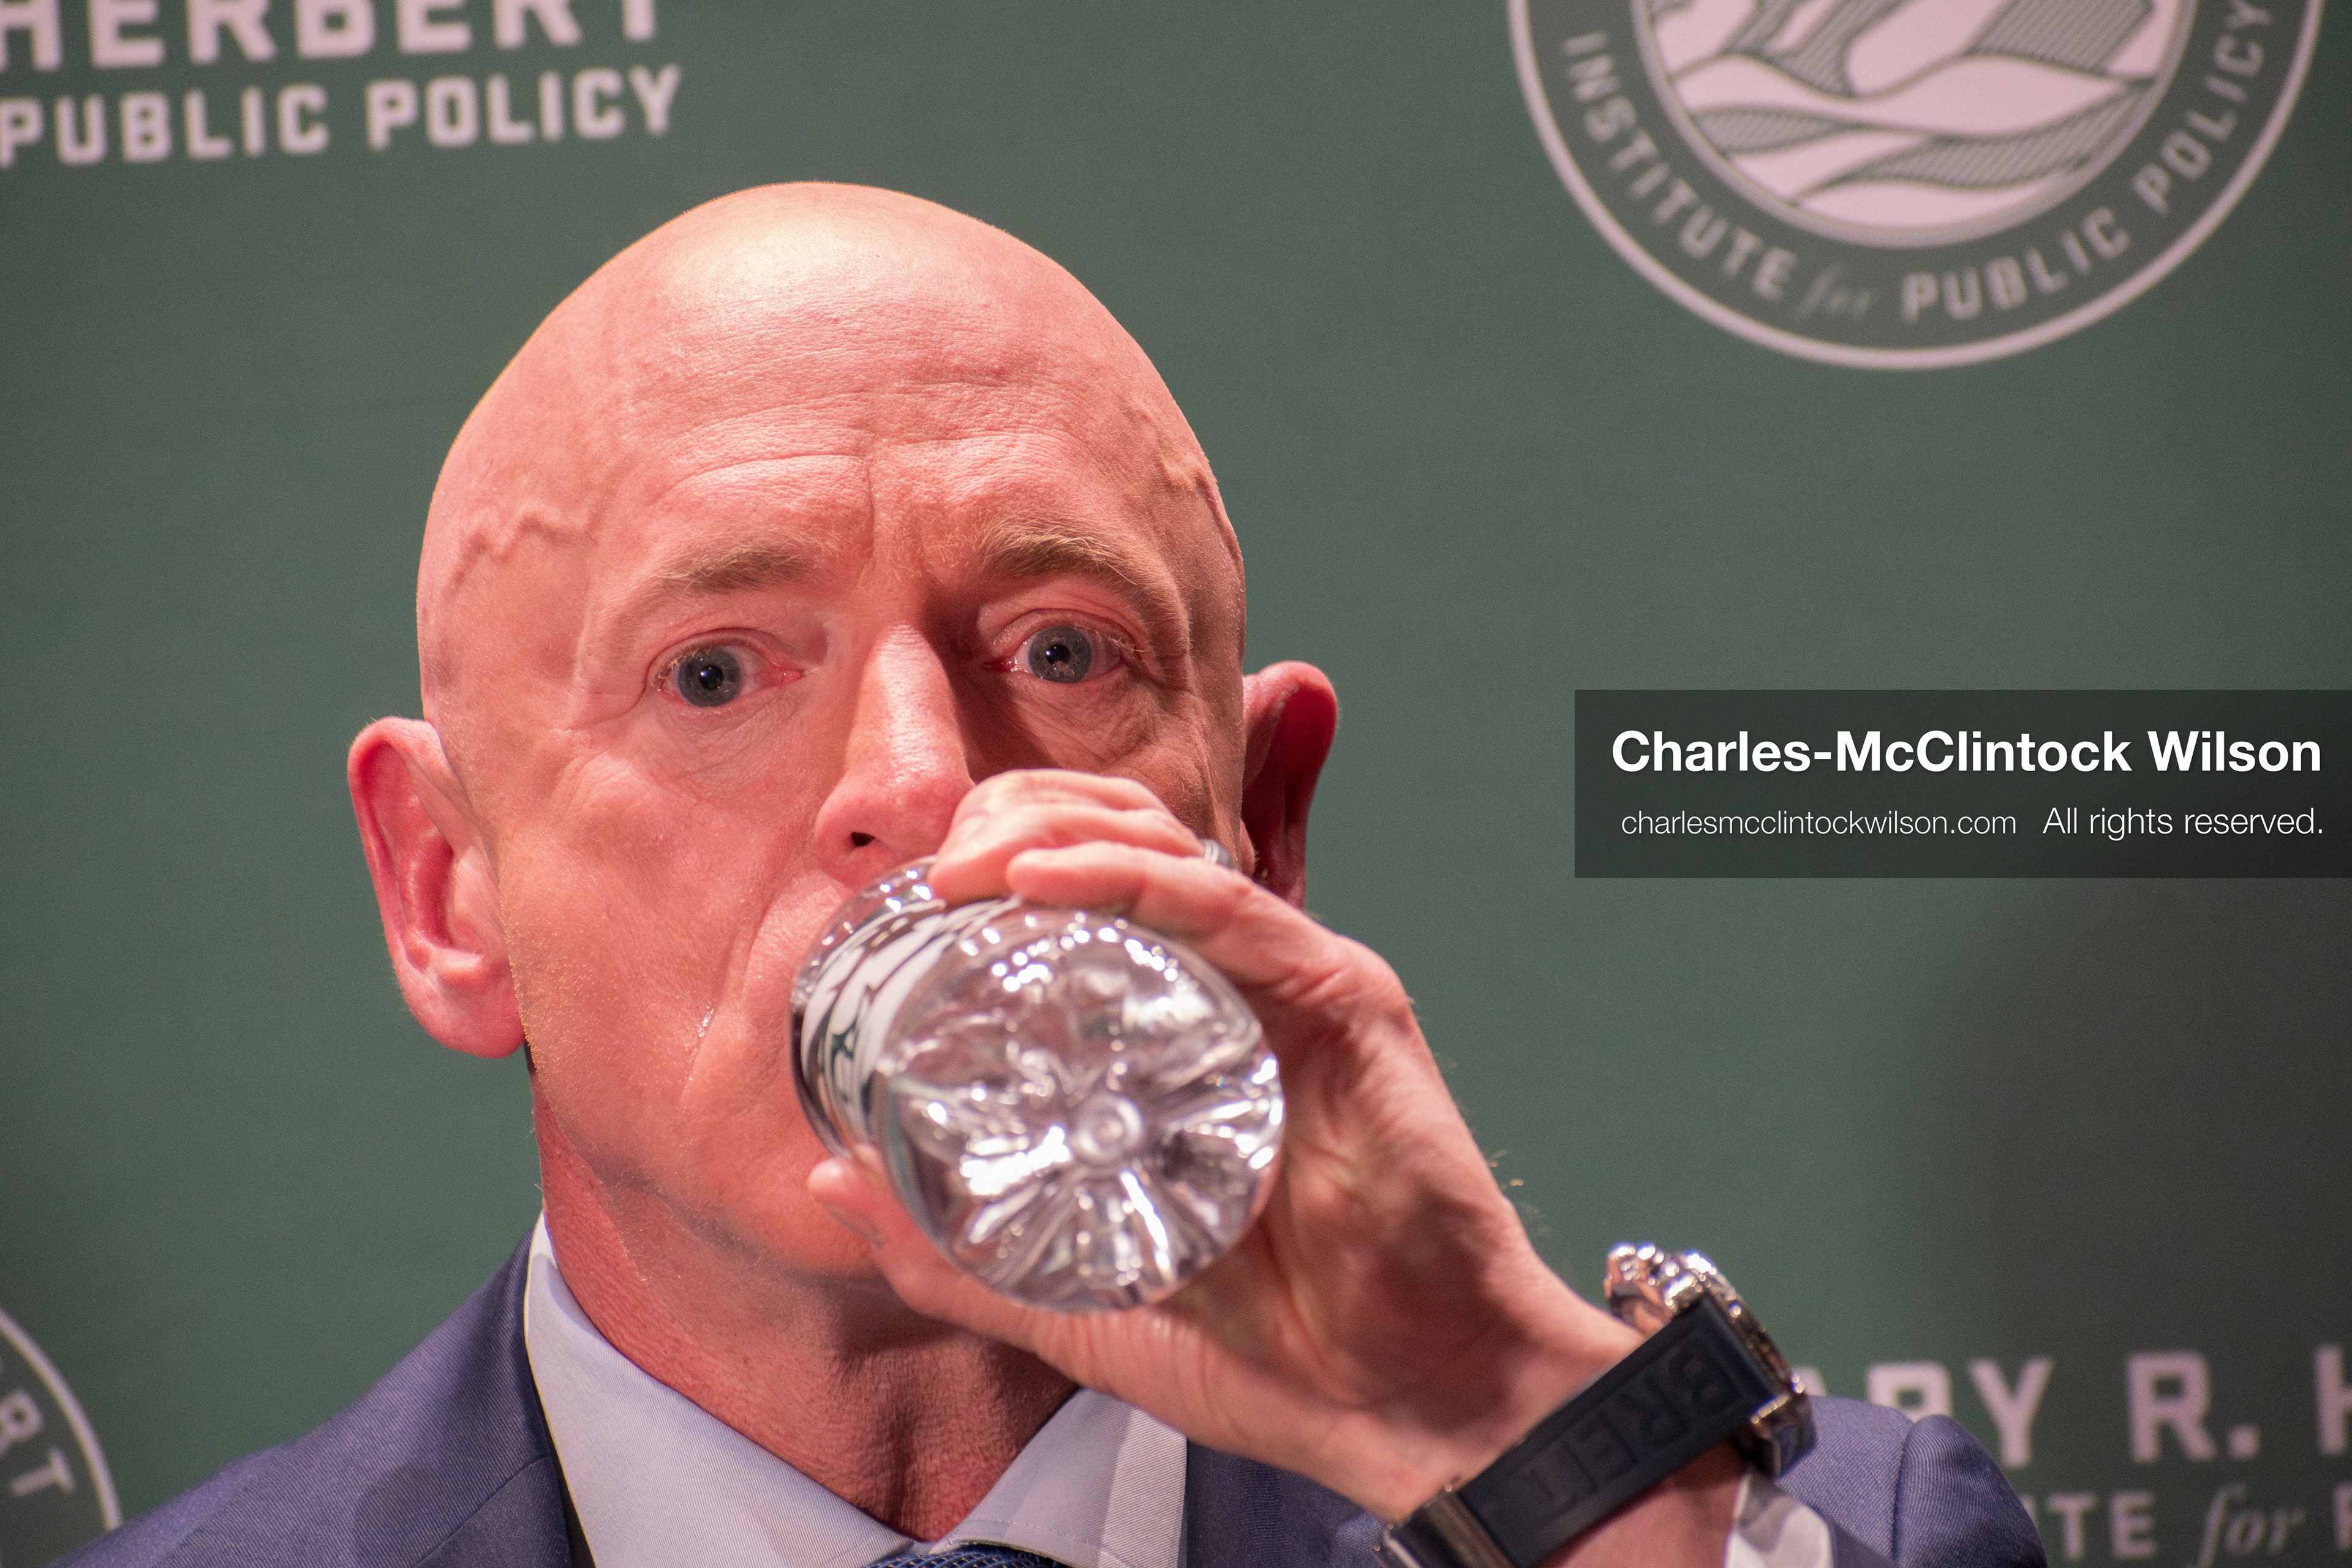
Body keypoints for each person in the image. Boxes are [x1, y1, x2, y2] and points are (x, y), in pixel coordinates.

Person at [65, 185, 2042, 1568]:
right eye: (718, 673)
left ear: (1257, 824)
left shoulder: (1782, 1548)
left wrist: (1533, 1445)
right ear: (443, 887)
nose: (923, 786)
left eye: (1064, 654)